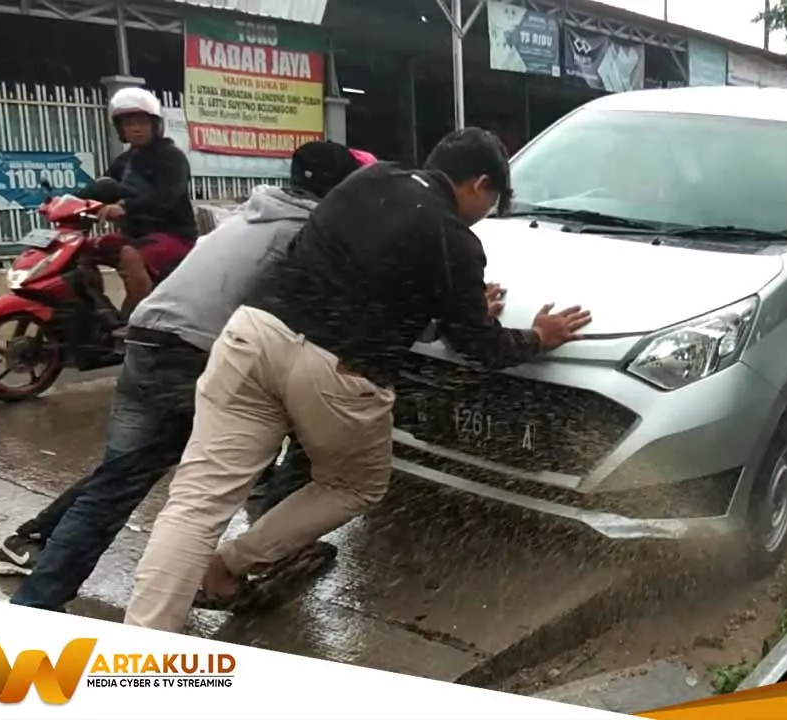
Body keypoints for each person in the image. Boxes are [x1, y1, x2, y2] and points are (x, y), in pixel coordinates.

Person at [122, 127, 592, 632]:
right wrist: (538, 337)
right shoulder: (454, 238)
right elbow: (477, 345)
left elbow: (352, 271)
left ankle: (141, 646)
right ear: (480, 183)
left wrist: (450, 303)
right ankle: (231, 564)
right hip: (336, 369)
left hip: (253, 334)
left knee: (196, 503)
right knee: (355, 484)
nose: (488, 210)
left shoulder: (367, 180)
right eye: (493, 199)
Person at [0, 142, 366, 614]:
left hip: (148, 336)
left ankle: (38, 599)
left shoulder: (250, 214)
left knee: (123, 477)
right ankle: (254, 557)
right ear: (339, 191)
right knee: (262, 453)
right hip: (194, 353)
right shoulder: (307, 234)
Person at [81, 87, 199, 323]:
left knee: (130, 255)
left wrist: (126, 207)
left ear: (155, 124)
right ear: (121, 129)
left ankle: (135, 322)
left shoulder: (171, 157)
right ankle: (97, 315)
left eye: (142, 122)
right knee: (82, 252)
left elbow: (167, 196)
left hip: (174, 236)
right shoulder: (124, 162)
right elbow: (99, 190)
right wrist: (65, 201)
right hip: (135, 236)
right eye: (128, 123)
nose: (135, 128)